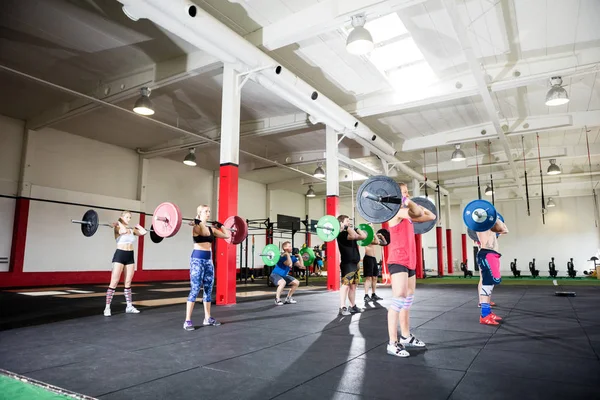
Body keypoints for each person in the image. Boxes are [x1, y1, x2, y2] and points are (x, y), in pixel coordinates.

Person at [386, 184, 436, 357]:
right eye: (403, 193)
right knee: (398, 299)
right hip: (397, 260)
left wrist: (414, 204)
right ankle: (393, 343)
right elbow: (420, 213)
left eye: (407, 192)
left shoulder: (408, 217)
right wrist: (410, 203)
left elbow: (431, 216)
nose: (406, 195)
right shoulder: (396, 213)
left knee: (407, 299)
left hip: (410, 261)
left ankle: (406, 335)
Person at [183, 205, 230, 331]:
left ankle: (207, 318)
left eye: (209, 211)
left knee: (208, 290)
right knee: (195, 289)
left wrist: (221, 226)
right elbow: (203, 232)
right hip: (197, 260)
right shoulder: (196, 227)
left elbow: (226, 236)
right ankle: (187, 320)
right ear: (199, 213)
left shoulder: (211, 229)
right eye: (206, 211)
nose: (209, 213)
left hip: (208, 261)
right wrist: (197, 221)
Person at [104, 211, 147, 317]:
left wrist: (138, 226)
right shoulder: (117, 228)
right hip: (120, 255)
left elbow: (144, 232)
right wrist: (119, 223)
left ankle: (129, 306)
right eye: (127, 217)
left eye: (130, 217)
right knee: (114, 282)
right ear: (121, 217)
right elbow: (122, 231)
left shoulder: (132, 230)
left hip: (130, 256)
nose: (129, 219)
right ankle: (107, 307)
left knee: (128, 283)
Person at [476, 218, 508, 325]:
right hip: (486, 254)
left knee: (491, 283)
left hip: (493, 255)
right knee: (487, 284)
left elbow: (505, 230)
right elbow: (502, 229)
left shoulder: (492, 226)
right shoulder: (482, 224)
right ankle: (484, 315)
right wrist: (495, 217)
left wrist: (496, 217)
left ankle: (488, 312)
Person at [336, 215, 367, 316]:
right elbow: (353, 236)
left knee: (353, 286)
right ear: (341, 222)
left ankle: (352, 306)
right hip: (347, 263)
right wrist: (345, 228)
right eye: (347, 221)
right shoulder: (341, 234)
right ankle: (342, 307)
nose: (349, 222)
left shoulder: (351, 232)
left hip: (355, 263)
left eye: (349, 221)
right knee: (345, 285)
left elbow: (363, 236)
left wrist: (357, 228)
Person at [269, 241, 301, 305]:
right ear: (284, 248)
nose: (291, 248)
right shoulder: (281, 257)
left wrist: (300, 256)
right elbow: (288, 264)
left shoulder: (293, 257)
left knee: (296, 282)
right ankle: (277, 299)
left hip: (284, 276)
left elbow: (301, 266)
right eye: (289, 246)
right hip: (275, 275)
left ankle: (288, 298)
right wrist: (286, 254)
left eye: (291, 246)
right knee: (282, 282)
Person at [363, 228, 387, 302]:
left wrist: (382, 237)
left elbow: (385, 243)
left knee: (375, 277)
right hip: (368, 258)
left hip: (373, 259)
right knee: (368, 278)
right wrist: (374, 233)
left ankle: (373, 294)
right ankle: (366, 295)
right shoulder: (367, 239)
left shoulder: (373, 238)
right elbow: (376, 242)